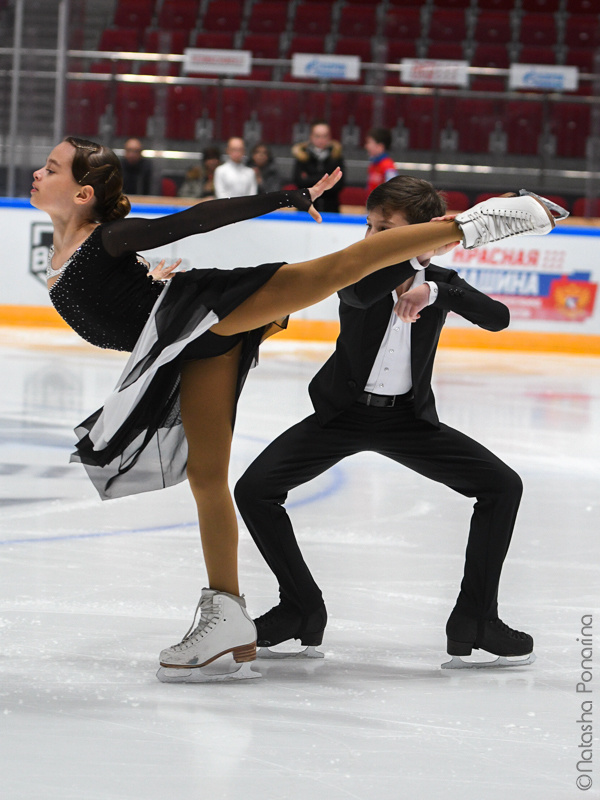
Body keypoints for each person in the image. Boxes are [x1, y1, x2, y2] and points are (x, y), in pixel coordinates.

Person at [30, 138, 559, 682]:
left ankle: (473, 225)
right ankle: (227, 617)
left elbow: (197, 219)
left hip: (207, 308)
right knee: (207, 478)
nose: (38, 173)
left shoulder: (106, 238)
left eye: (51, 167)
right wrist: (149, 281)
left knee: (331, 269)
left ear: (83, 192)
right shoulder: (75, 252)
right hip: (189, 343)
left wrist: (287, 197)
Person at [235, 178, 568, 668]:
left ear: (421, 230)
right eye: (369, 226)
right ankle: (300, 607)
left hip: (408, 421)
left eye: (385, 229)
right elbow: (357, 296)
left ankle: (476, 619)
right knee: (254, 491)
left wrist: (436, 289)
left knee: (502, 487)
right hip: (342, 414)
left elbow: (497, 318)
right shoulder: (354, 268)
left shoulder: (439, 281)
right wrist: (416, 258)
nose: (371, 237)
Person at [292, 121, 345, 213]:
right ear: (311, 136)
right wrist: (326, 181)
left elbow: (339, 185)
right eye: (317, 136)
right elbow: (299, 183)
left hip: (330, 210)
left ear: (329, 137)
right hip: (305, 210)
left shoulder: (336, 157)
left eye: (324, 136)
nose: (321, 140)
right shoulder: (302, 157)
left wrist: (310, 179)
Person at [365, 127, 398, 194]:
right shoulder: (373, 165)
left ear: (380, 146)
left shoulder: (388, 166)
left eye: (369, 142)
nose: (366, 146)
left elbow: (393, 190)